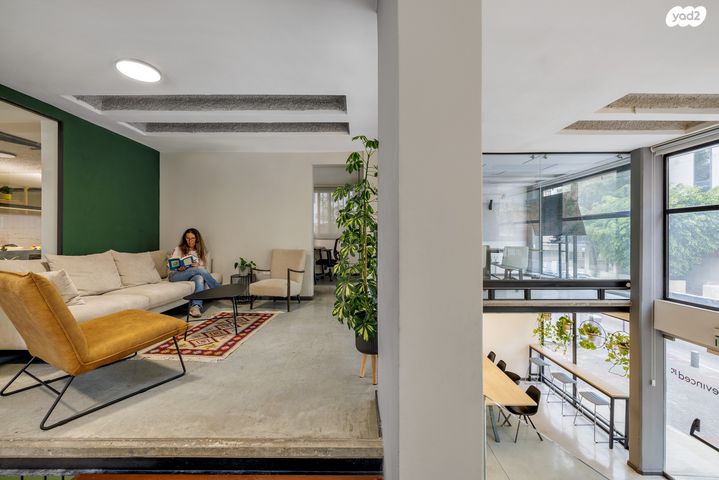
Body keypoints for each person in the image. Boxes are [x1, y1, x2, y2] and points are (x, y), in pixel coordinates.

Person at [168, 228, 221, 318]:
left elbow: (203, 267)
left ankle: (196, 307)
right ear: (184, 239)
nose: (190, 241)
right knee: (198, 270)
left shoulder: (199, 251)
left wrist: (197, 265)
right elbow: (171, 265)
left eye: (192, 238)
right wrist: (180, 268)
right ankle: (217, 288)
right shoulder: (179, 249)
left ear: (197, 239)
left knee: (199, 278)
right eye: (187, 238)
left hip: (192, 274)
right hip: (176, 275)